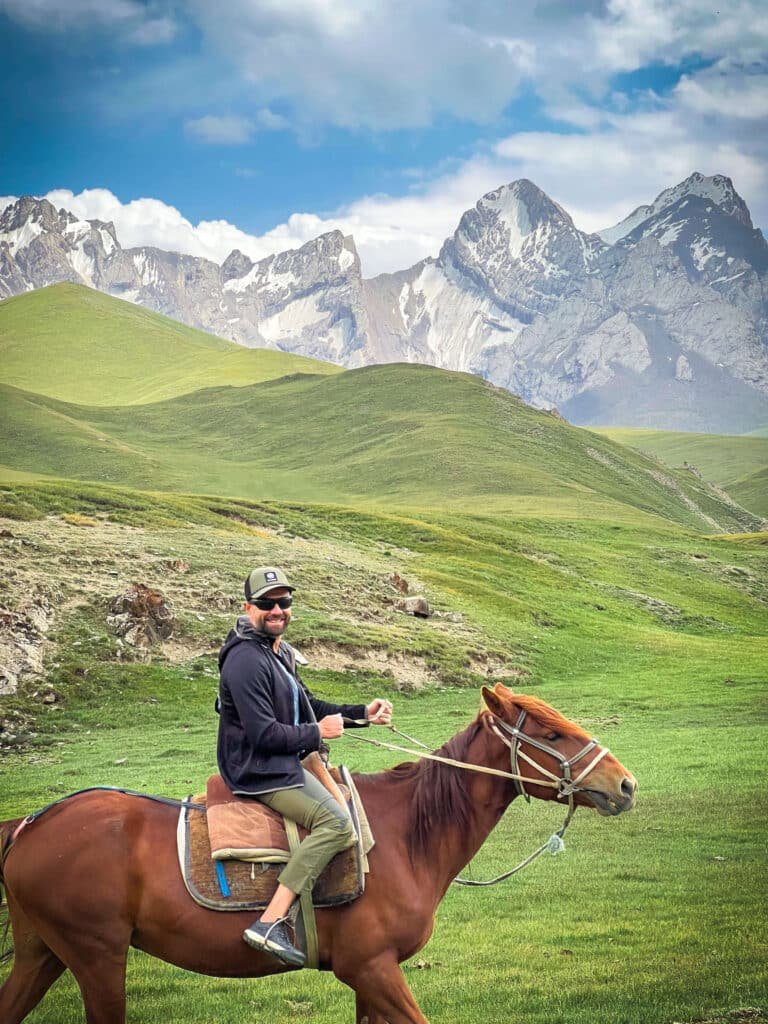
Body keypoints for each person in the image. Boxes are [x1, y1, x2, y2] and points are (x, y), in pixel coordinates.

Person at [216, 565, 393, 967]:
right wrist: (317, 734)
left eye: (284, 602)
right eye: (267, 603)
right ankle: (270, 920)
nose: (277, 610)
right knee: (336, 823)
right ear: (248, 607)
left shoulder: (275, 651)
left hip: (281, 759)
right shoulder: (245, 661)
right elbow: (264, 735)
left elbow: (307, 707)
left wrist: (362, 713)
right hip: (259, 768)